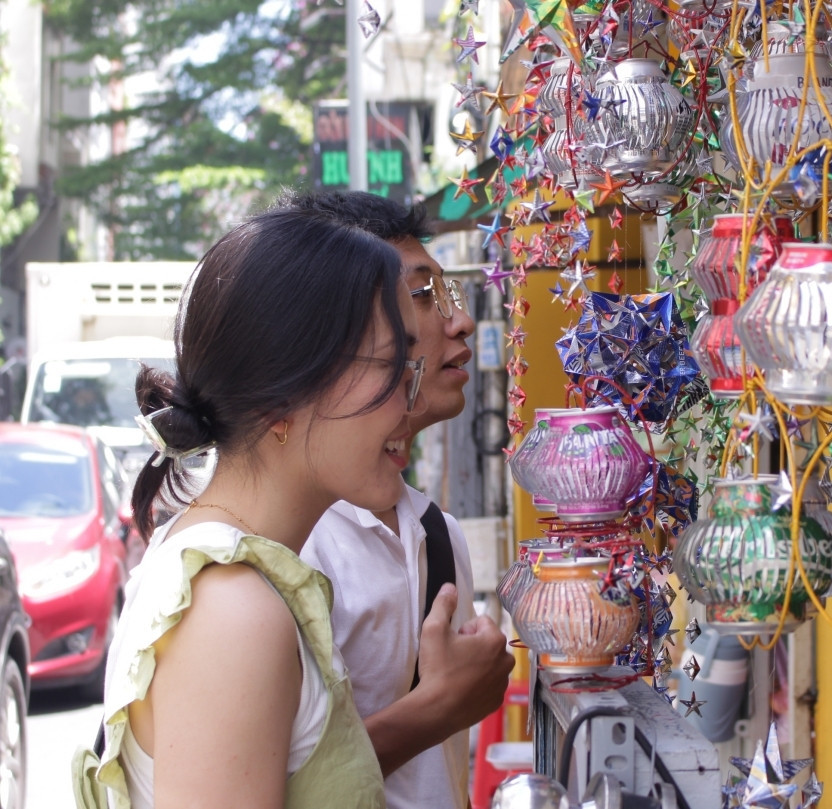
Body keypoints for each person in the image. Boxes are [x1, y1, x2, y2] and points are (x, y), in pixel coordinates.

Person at [73, 206, 426, 809]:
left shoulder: (226, 571)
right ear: (283, 395)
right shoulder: (232, 610)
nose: (410, 403)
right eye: (393, 367)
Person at [282, 190, 515, 809]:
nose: (459, 322)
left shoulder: (436, 531)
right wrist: (436, 708)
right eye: (422, 296)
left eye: (446, 293)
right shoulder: (280, 543)